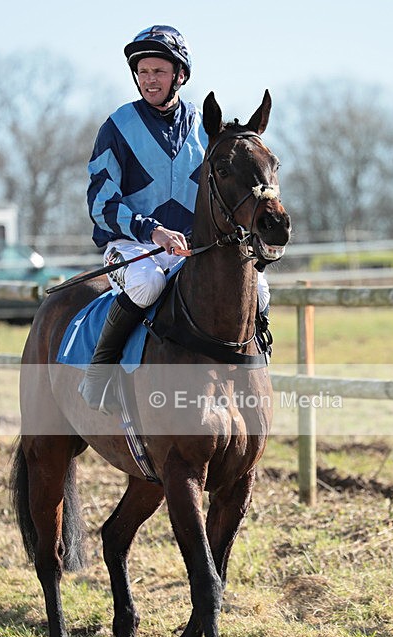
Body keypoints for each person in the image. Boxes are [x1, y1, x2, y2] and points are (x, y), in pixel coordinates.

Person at [79, 25, 270, 413]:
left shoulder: (204, 129)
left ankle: (256, 368)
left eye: (159, 72)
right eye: (143, 72)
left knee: (260, 290)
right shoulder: (116, 127)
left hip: (193, 248)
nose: (149, 80)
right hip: (131, 247)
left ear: (180, 75)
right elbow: (101, 203)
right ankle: (99, 374)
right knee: (147, 283)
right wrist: (152, 231)